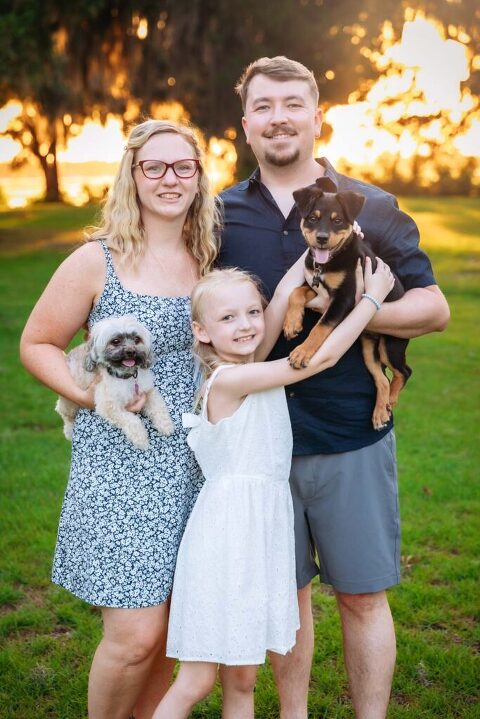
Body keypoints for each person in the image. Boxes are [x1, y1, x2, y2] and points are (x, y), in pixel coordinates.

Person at [218, 56, 450, 719]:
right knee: (285, 597)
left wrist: (358, 308)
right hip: (260, 439)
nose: (278, 117)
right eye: (263, 106)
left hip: (351, 432)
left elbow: (434, 310)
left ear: (319, 117)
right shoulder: (220, 212)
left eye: (293, 103)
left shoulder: (372, 206)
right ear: (245, 125)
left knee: (362, 595)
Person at [20, 119, 219, 719]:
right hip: (121, 469)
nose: (169, 178)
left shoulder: (209, 258)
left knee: (168, 635)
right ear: (132, 175)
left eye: (183, 166)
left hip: (198, 463)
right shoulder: (96, 260)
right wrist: (90, 400)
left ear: (199, 176)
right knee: (133, 638)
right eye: (153, 166)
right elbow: (37, 343)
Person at [151, 258, 395, 719]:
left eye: (252, 313)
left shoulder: (249, 365)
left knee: (243, 680)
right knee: (198, 679)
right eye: (227, 318)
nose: (245, 326)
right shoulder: (231, 379)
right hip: (227, 540)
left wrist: (301, 269)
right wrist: (370, 301)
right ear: (202, 332)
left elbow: (282, 295)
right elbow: (319, 358)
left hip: (258, 535)